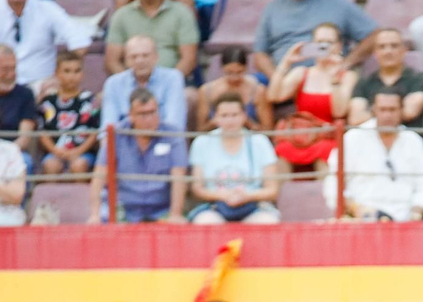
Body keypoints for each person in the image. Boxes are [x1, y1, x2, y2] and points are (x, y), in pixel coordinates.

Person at [324, 90, 423, 221]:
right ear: (373, 111)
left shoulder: (413, 140)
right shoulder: (352, 138)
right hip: (362, 220)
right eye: (382, 110)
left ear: (401, 111)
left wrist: (416, 213)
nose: (387, 115)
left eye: (392, 110)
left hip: (406, 220)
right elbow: (333, 186)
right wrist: (357, 209)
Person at [251, 0, 377, 80]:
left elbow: (374, 35)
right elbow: (260, 54)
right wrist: (277, 79)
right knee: (251, 85)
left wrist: (345, 64)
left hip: (326, 77)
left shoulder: (337, 3)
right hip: (282, 78)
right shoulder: (272, 9)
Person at [89, 88, 189, 222]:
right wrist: (95, 214)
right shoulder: (116, 134)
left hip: (161, 210)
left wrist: (175, 214)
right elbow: (99, 175)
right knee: (99, 221)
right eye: (143, 114)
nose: (149, 119)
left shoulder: (173, 134)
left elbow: (179, 177)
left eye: (153, 112)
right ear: (131, 115)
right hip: (123, 208)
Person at [269, 23, 357, 169]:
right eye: (319, 42)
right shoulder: (302, 73)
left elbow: (339, 111)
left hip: (328, 137)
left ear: (339, 46)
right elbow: (273, 96)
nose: (324, 46)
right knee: (282, 150)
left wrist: (335, 78)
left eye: (329, 42)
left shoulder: (348, 76)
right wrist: (286, 62)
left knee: (326, 152)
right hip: (300, 135)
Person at [187, 93, 282, 224]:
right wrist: (224, 196)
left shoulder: (260, 142)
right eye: (224, 116)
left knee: (267, 221)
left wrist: (246, 196)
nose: (230, 120)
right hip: (215, 206)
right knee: (205, 222)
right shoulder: (202, 142)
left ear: (244, 116)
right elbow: (197, 188)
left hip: (253, 206)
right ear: (215, 118)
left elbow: (272, 189)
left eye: (234, 115)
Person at [105, 0, 199, 78]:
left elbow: (189, 59)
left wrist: (167, 84)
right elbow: (112, 62)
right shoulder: (121, 16)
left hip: (172, 85)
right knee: (101, 95)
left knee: (190, 94)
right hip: (131, 88)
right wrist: (130, 84)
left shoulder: (182, 13)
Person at [101, 35, 188, 135]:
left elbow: (175, 124)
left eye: (145, 55)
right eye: (134, 56)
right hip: (125, 141)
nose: (140, 61)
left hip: (163, 139)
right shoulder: (113, 83)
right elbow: (107, 127)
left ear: (156, 57)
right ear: (126, 60)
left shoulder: (173, 78)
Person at [350, 28, 423, 127]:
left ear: (404, 50)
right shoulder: (364, 82)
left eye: (394, 46)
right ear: (375, 53)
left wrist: (373, 111)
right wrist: (395, 110)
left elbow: (410, 112)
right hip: (372, 139)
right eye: (382, 47)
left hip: (410, 138)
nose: (388, 51)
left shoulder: (419, 79)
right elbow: (355, 118)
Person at [38, 50, 100, 175]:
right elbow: (42, 132)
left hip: (82, 152)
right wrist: (55, 150)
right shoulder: (48, 101)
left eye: (77, 71)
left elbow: (94, 132)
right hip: (55, 151)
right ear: (57, 73)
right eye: (67, 71)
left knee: (79, 165)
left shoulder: (90, 100)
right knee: (51, 165)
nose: (72, 76)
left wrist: (78, 151)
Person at [197, 46, 272, 132]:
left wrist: (247, 123)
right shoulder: (206, 91)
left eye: (239, 72)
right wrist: (215, 122)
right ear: (222, 68)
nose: (234, 78)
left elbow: (268, 131)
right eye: (229, 72)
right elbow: (200, 130)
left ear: (246, 68)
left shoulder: (258, 91)